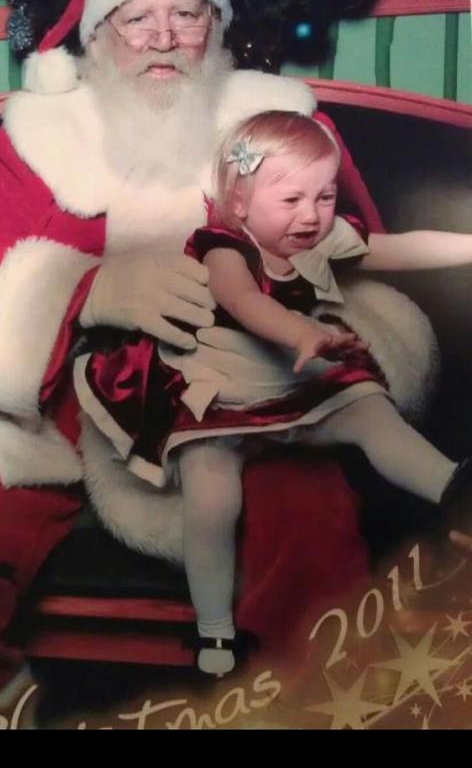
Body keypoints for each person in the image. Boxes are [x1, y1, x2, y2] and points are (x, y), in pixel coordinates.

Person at [0, 0, 443, 727]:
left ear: (217, 29)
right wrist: (88, 290)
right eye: (138, 18)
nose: (164, 39)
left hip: (234, 391)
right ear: (100, 38)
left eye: (188, 15)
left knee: (308, 522)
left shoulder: (277, 127)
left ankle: (321, 707)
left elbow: (351, 265)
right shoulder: (33, 144)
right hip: (57, 397)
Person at [75, 109, 472, 676]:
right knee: (213, 497)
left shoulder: (325, 238)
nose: (311, 216)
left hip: (291, 379)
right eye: (291, 201)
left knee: (371, 412)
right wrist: (303, 331)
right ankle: (214, 631)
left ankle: (454, 487)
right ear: (239, 205)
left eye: (326, 196)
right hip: (218, 389)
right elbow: (244, 302)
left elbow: (403, 248)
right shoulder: (223, 248)